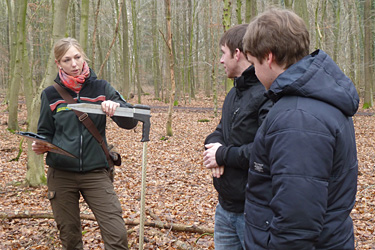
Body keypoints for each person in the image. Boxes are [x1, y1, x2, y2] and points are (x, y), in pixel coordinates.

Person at [242, 8, 359, 249]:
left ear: (269, 56)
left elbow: (296, 223)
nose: (253, 71)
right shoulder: (313, 101)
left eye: (253, 63)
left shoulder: (298, 118)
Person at [32, 37, 137, 249]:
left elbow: (130, 121)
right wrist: (40, 145)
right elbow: (44, 132)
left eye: (77, 57)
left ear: (84, 56)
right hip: (61, 174)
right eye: (67, 60)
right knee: (70, 239)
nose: (74, 64)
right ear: (58, 64)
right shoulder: (50, 94)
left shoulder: (101, 88)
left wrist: (115, 106)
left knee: (117, 235)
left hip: (96, 172)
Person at [203, 24, 272, 250]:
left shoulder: (266, 94)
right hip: (224, 208)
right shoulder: (233, 93)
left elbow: (266, 150)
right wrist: (212, 147)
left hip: (254, 212)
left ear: (237, 53)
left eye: (223, 53)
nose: (221, 61)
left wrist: (223, 155)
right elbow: (220, 130)